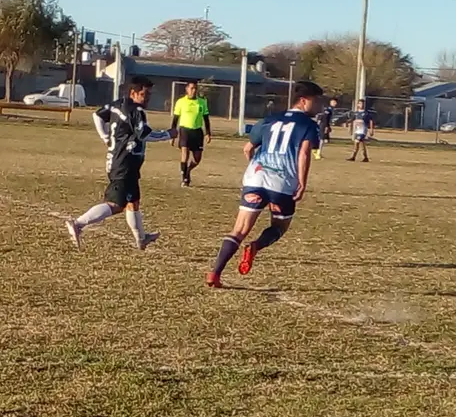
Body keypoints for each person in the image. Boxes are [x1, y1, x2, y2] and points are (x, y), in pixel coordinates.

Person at [206, 81, 324, 288]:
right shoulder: (308, 125)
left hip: (255, 178)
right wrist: (302, 183)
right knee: (279, 226)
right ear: (304, 101)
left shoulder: (270, 119)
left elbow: (247, 148)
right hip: (282, 184)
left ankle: (214, 274)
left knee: (239, 230)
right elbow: (304, 153)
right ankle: (256, 246)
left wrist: (257, 169)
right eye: (317, 102)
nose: (319, 107)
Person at [65, 77, 177, 250]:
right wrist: (168, 134)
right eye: (144, 94)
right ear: (133, 93)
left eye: (149, 95)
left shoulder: (118, 104)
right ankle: (78, 224)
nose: (147, 98)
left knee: (133, 202)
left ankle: (141, 239)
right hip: (124, 164)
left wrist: (105, 137)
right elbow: (144, 135)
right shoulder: (135, 111)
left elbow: (97, 115)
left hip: (123, 161)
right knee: (116, 205)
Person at [171, 80, 211, 187]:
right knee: (185, 154)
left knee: (197, 159)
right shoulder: (181, 102)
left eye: (195, 88)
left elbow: (206, 118)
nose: (193, 90)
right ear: (187, 89)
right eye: (191, 88)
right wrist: (172, 133)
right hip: (185, 130)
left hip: (197, 132)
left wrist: (208, 133)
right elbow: (175, 119)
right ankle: (184, 178)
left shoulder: (202, 102)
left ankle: (188, 170)